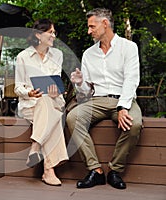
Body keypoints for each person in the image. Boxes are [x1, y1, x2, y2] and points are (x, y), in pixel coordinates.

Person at [66, 8, 143, 190]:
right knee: (73, 118)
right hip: (97, 100)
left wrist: (123, 107)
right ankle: (95, 170)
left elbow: (131, 79)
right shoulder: (88, 54)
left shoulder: (129, 47)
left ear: (105, 24)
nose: (89, 31)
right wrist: (79, 82)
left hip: (123, 99)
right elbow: (86, 91)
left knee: (134, 124)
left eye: (92, 26)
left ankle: (115, 170)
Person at [14, 19, 68, 186]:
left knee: (47, 101)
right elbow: (17, 87)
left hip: (53, 101)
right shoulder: (23, 57)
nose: (54, 35)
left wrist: (54, 90)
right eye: (50, 32)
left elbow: (55, 80)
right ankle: (48, 170)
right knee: (51, 112)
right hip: (31, 104)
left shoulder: (58, 55)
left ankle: (36, 146)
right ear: (38, 35)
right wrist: (29, 92)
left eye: (54, 32)